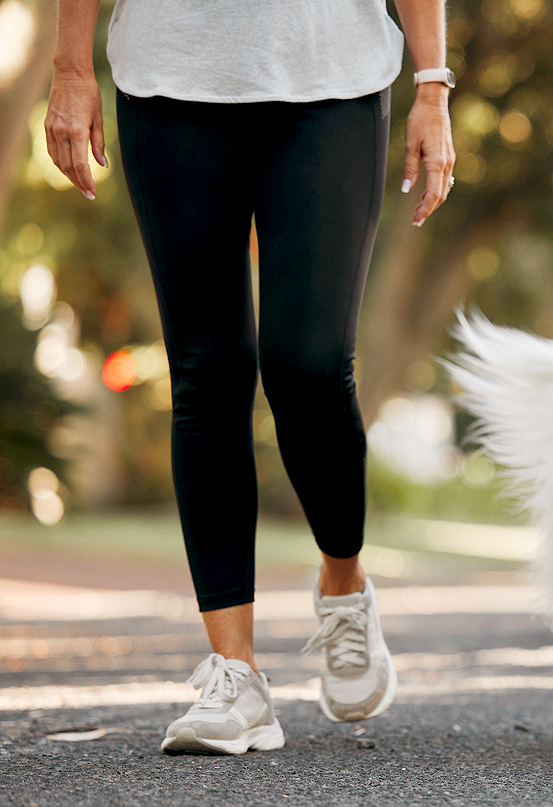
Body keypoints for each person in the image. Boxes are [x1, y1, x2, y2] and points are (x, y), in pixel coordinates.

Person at [45, 0, 455, 754]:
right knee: (206, 371)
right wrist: (71, 68)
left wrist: (433, 83)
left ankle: (342, 582)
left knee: (308, 364)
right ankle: (235, 675)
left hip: (332, 73)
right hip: (169, 76)